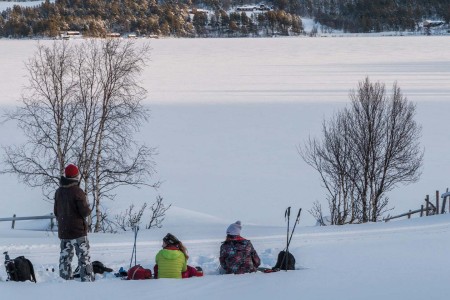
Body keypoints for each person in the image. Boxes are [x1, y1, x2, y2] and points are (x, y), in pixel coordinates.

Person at [54, 163, 94, 282]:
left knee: (65, 258)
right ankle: (88, 281)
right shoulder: (78, 191)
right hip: (78, 232)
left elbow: (56, 212)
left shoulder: (58, 192)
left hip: (64, 231)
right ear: (76, 176)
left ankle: (64, 280)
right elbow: (85, 212)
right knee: (84, 258)